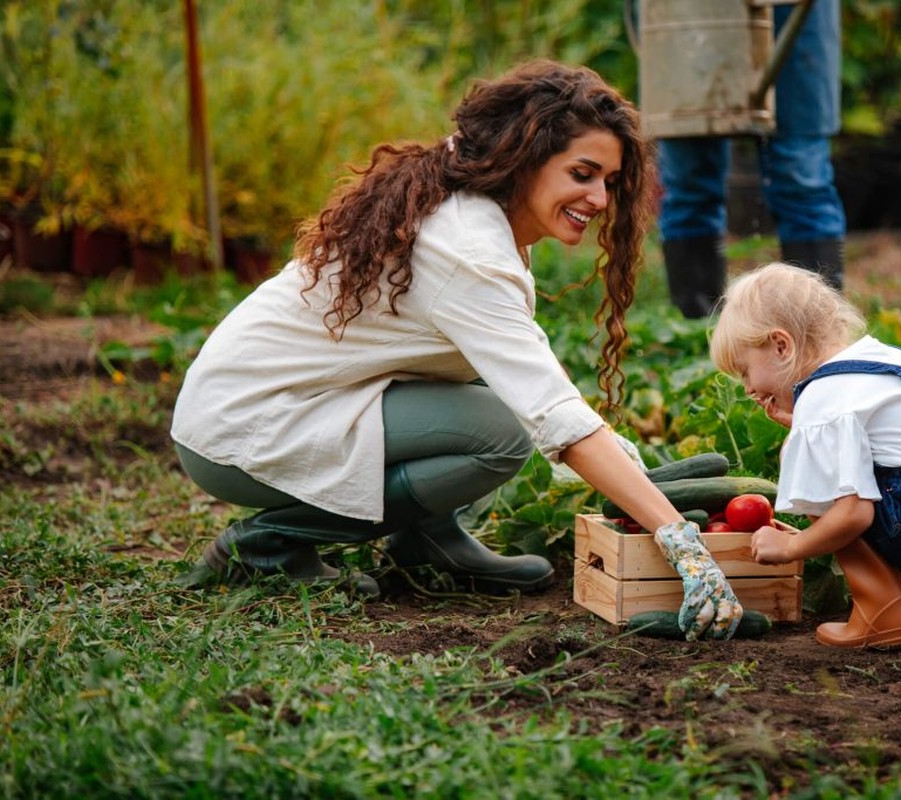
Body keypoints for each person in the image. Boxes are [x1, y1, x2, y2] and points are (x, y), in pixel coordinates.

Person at [171, 60, 742, 640]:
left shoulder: (475, 206)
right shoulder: (467, 248)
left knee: (491, 400)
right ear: (524, 158)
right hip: (240, 426)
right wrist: (680, 540)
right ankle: (268, 544)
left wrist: (623, 459)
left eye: (609, 181)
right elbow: (550, 415)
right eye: (582, 173)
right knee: (500, 435)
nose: (598, 197)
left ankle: (426, 538)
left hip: (300, 400)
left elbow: (524, 366)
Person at [709, 263, 901, 648]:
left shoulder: (822, 395)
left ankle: (883, 612)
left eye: (745, 371)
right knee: (895, 477)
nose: (748, 389)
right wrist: (803, 426)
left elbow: (854, 514)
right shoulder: (883, 361)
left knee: (826, 475)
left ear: (781, 345)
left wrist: (791, 546)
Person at [658, 0, 847, 318]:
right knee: (689, 175)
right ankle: (698, 325)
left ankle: (818, 333)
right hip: (685, 13)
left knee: (801, 174)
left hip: (793, 11)